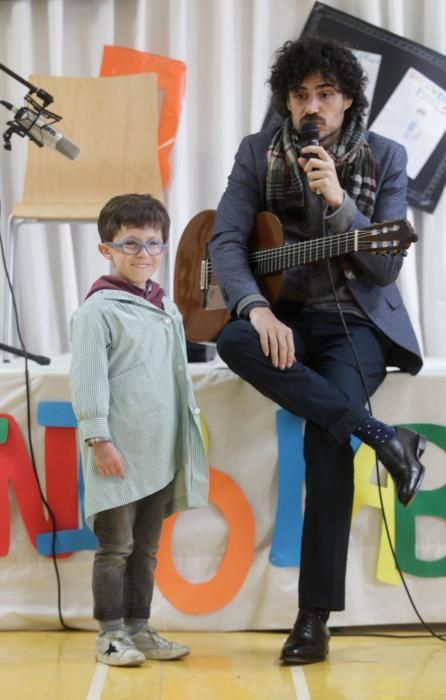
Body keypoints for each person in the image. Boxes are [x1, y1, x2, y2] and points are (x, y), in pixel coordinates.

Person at [208, 37, 426, 665]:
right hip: (283, 316)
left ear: (348, 99)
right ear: (286, 99)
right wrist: (254, 307)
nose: (312, 106)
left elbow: (384, 269)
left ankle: (313, 617)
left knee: (325, 442)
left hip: (353, 321)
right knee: (231, 339)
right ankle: (385, 437)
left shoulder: (386, 156)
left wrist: (338, 202)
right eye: (300, 94)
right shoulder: (256, 153)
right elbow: (226, 240)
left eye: (325, 94)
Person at [70, 193, 208, 667]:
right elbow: (88, 380)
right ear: (105, 248)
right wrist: (99, 439)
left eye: (153, 244)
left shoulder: (166, 308)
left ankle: (138, 627)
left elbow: (173, 377)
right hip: (117, 452)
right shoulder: (99, 310)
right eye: (130, 243)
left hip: (158, 450)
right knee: (116, 547)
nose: (143, 254)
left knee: (146, 548)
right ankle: (110, 634)